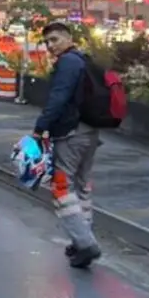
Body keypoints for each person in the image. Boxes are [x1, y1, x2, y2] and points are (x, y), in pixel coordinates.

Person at [32, 21, 101, 268]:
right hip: (90, 132)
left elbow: (59, 97)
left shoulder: (68, 63)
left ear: (68, 38)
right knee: (81, 187)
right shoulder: (84, 60)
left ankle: (85, 243)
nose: (51, 46)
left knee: (61, 187)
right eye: (47, 42)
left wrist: (41, 127)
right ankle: (82, 238)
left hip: (71, 134)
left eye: (55, 40)